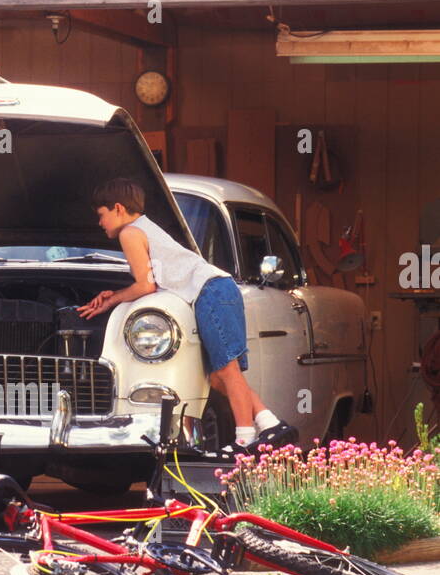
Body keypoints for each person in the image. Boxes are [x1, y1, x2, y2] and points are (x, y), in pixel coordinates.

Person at [76, 178, 296, 452]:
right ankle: (269, 422)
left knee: (227, 371)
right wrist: (115, 294)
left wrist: (113, 299)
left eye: (101, 215)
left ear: (118, 208)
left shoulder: (130, 232)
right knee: (217, 377)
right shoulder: (143, 227)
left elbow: (146, 286)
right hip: (217, 290)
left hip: (210, 291)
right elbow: (152, 282)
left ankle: (245, 439)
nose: (100, 223)